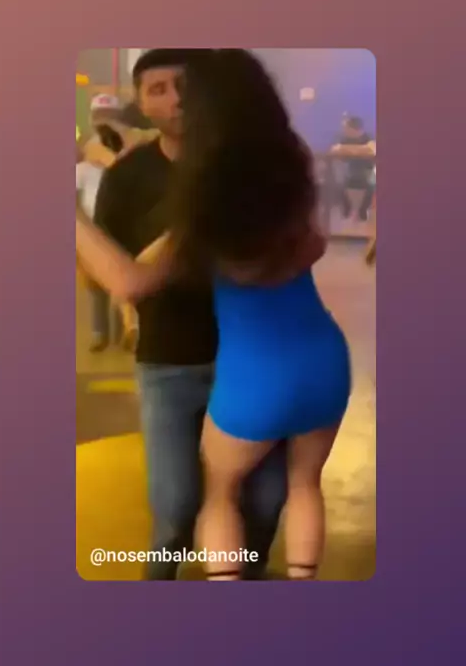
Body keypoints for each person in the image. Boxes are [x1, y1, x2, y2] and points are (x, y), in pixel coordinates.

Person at [77, 49, 351, 581]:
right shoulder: (285, 167)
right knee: (279, 490)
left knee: (232, 498)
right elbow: (314, 244)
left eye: (186, 91)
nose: (177, 102)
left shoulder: (210, 192)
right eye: (160, 90)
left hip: (253, 370)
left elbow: (130, 281)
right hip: (302, 357)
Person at [76, 123, 124, 351]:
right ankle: (100, 334)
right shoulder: (83, 170)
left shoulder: (121, 169)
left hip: (117, 229)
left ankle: (120, 334)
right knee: (95, 286)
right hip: (92, 232)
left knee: (117, 282)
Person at [331, 115, 375, 222]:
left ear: (354, 128)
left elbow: (372, 149)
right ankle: (346, 208)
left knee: (372, 183)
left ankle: (363, 210)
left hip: (366, 170)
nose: (344, 130)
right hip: (349, 169)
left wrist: (349, 150)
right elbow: (335, 149)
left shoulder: (368, 138)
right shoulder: (344, 139)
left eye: (346, 127)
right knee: (338, 181)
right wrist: (357, 150)